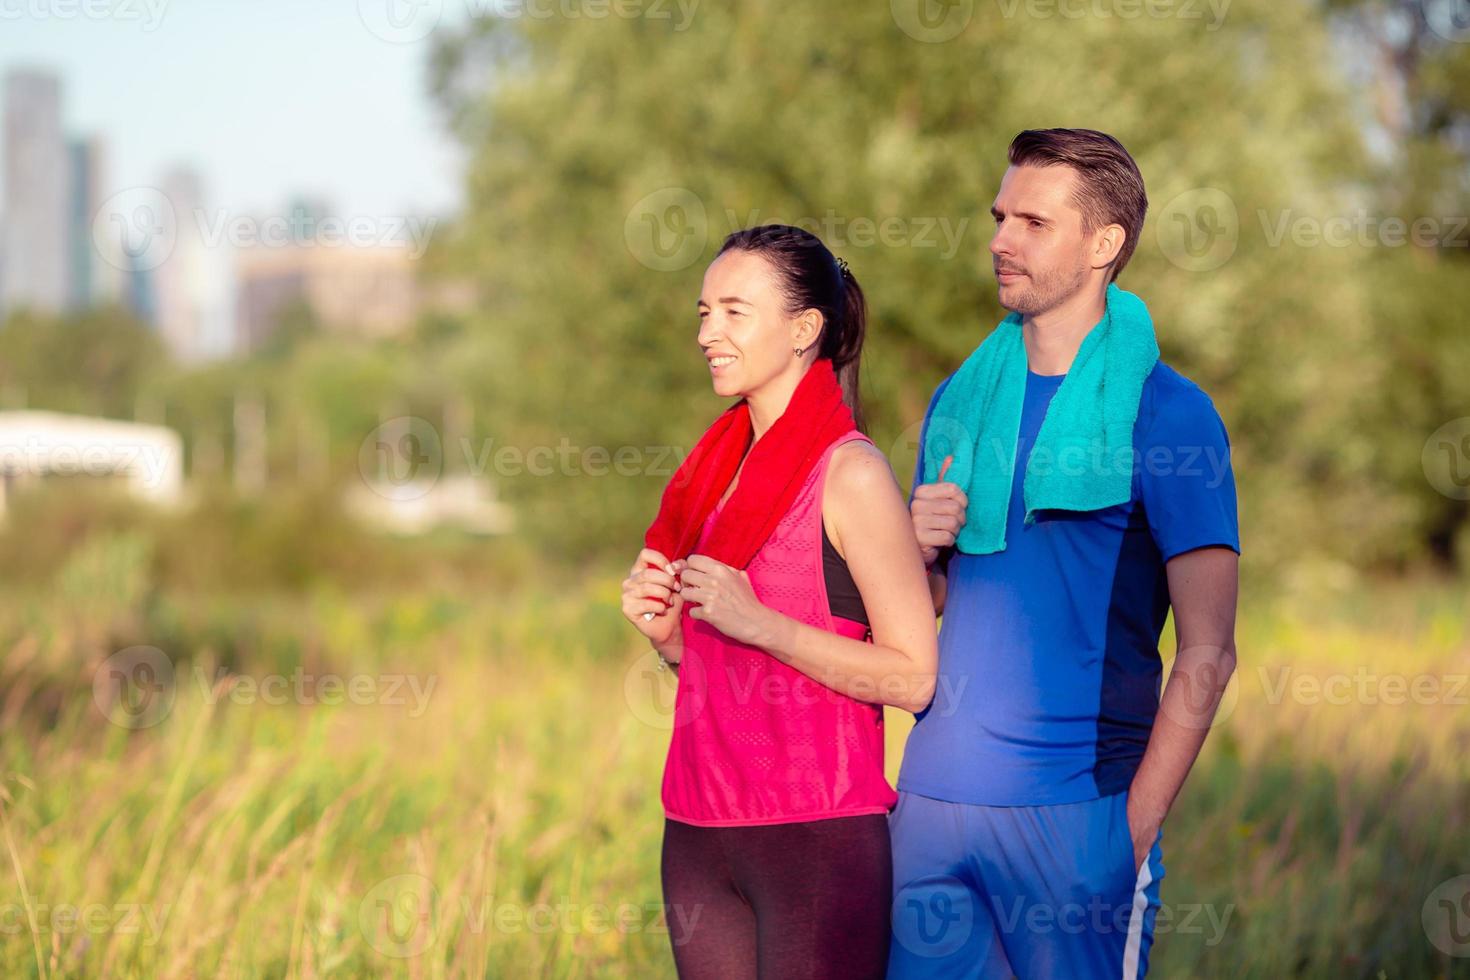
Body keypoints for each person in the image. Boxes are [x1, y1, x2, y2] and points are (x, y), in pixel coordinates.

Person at [890, 129, 1241, 978]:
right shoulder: (959, 402)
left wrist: (1133, 829)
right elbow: (926, 607)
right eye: (999, 216)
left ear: (1104, 244)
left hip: (1078, 817)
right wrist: (917, 550)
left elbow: (1209, 649)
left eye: (1032, 222)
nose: (999, 240)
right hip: (930, 811)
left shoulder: (1168, 415)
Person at [620, 224, 938, 979]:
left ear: (803, 330)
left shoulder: (850, 475)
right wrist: (670, 638)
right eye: (703, 312)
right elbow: (724, 671)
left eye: (734, 311)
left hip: (815, 836)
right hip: (698, 828)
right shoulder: (713, 476)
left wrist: (762, 624)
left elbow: (913, 676)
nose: (708, 333)